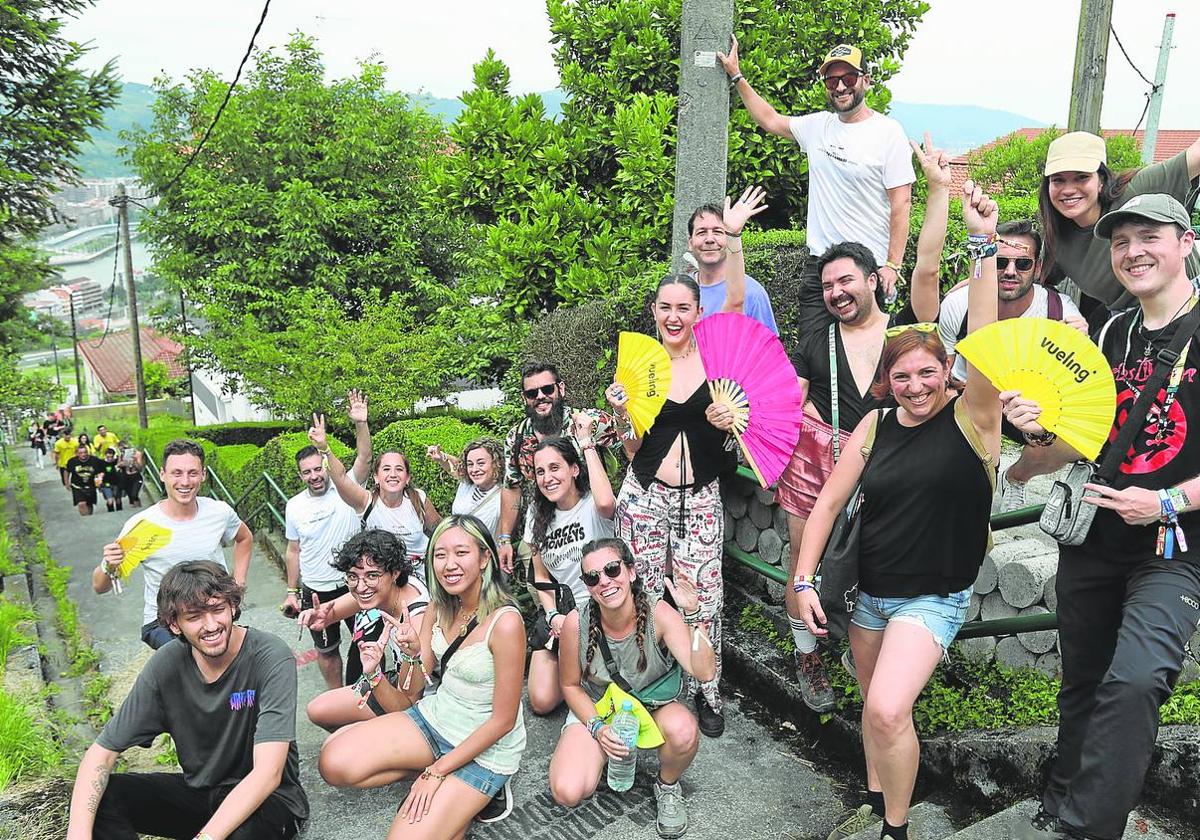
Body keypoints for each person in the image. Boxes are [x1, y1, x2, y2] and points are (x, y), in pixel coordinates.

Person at [794, 181, 1001, 840]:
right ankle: (876, 793)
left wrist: (984, 248)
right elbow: (828, 501)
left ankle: (896, 828)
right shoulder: (877, 425)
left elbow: (988, 339)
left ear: (949, 372)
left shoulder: (976, 420)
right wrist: (802, 579)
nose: (915, 387)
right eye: (901, 377)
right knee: (871, 705)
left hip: (932, 596)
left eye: (926, 374)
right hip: (868, 591)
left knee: (886, 708)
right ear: (889, 381)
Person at [1005, 194, 1200, 840]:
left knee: (1136, 679)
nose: (1133, 251)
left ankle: (1089, 827)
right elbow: (1085, 439)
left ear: (1186, 243)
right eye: (1120, 242)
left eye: (1150, 237)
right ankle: (1063, 799)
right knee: (1082, 680)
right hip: (1093, 535)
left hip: (1173, 545)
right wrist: (1035, 434)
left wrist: (1168, 501)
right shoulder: (1112, 332)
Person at [777, 135, 948, 715]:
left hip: (887, 467)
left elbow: (927, 264)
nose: (836, 293)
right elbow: (790, 400)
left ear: (874, 279)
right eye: (826, 286)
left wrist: (938, 190)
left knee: (871, 567)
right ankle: (808, 654)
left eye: (846, 281)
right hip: (816, 468)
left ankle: (868, 651)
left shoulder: (906, 333)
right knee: (804, 559)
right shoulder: (813, 339)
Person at [65, 561, 308, 840]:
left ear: (232, 606)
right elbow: (100, 753)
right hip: (201, 795)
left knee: (241, 835)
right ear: (174, 624)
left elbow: (269, 772)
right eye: (194, 617)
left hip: (269, 802)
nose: (211, 625)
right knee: (99, 799)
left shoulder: (270, 656)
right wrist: (78, 835)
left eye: (218, 609)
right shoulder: (166, 666)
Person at [604, 268, 746, 738]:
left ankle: (708, 690)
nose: (673, 316)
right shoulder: (640, 368)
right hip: (645, 494)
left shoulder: (716, 363)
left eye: (683, 307)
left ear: (698, 312)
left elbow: (738, 444)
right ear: (654, 313)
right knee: (641, 592)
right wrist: (623, 415)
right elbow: (630, 449)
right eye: (665, 307)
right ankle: (646, 684)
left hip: (701, 493)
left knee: (703, 594)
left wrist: (728, 426)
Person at [317, 515, 526, 835]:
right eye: (440, 555)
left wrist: (435, 773)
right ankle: (452, 807)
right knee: (332, 760)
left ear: (485, 558)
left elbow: (504, 721)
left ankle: (472, 794)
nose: (449, 564)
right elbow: (408, 697)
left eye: (461, 553)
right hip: (437, 719)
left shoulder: (506, 622)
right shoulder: (437, 607)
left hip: (486, 747)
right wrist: (400, 661)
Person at [719, 39, 916, 336]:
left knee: (867, 358)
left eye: (848, 78)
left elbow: (901, 205)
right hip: (820, 268)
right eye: (831, 80)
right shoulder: (817, 127)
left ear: (866, 80)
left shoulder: (889, 133)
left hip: (867, 269)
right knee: (811, 357)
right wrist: (737, 76)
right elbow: (770, 119)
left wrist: (892, 266)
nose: (839, 87)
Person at [550, 539, 716, 839]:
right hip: (601, 706)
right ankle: (601, 754)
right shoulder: (578, 622)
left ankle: (667, 786)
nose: (605, 581)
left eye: (612, 570)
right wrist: (599, 728)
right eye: (593, 577)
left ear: (631, 572)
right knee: (567, 790)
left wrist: (694, 616)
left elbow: (704, 671)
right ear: (587, 586)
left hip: (651, 704)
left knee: (684, 729)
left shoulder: (659, 613)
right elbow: (570, 685)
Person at [938, 219, 1087, 511]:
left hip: (1030, 406)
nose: (1009, 271)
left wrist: (1080, 344)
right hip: (968, 396)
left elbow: (1074, 385)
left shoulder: (1058, 310)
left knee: (1075, 440)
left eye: (1022, 264)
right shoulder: (958, 305)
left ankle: (1017, 477)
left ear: (1038, 268)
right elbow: (942, 373)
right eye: (1000, 261)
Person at [95, 439, 253, 649]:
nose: (185, 482)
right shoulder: (141, 525)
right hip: (164, 622)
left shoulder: (219, 512)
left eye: (192, 473)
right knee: (192, 666)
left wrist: (238, 584)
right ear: (162, 474)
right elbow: (100, 586)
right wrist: (108, 564)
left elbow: (244, 538)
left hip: (213, 611)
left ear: (203, 474)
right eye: (176, 473)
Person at [1038, 130, 1200, 320]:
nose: (1069, 189)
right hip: (1131, 329)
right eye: (1058, 180)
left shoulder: (1138, 190)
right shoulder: (1055, 239)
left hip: (1189, 308)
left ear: (1101, 181)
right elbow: (1031, 285)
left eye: (1082, 177)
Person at [281, 392, 375, 690]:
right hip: (316, 591)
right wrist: (292, 591)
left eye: (318, 468)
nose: (314, 476)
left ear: (325, 465)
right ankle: (337, 701)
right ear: (300, 476)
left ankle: (365, 695)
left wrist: (361, 423)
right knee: (326, 650)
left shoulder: (346, 488)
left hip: (353, 586)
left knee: (366, 644)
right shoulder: (294, 506)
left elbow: (365, 457)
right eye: (306, 472)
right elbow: (293, 550)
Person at [496, 361, 623, 574]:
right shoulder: (516, 438)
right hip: (544, 532)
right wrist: (505, 538)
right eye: (531, 393)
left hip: (593, 524)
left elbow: (630, 442)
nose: (540, 397)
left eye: (547, 389)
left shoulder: (587, 422)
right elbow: (511, 487)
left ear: (560, 389)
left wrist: (621, 409)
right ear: (524, 398)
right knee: (543, 590)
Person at [524, 425, 617, 715]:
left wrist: (587, 443)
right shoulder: (536, 514)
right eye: (540, 471)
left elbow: (607, 502)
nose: (547, 478)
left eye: (555, 468)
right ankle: (579, 671)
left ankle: (587, 671)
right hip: (561, 613)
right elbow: (541, 575)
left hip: (603, 609)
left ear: (575, 469)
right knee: (540, 700)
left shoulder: (592, 504)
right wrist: (552, 615)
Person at [302, 528, 430, 730]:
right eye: (353, 576)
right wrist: (325, 616)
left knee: (341, 741)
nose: (361, 587)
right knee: (318, 709)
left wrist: (373, 675)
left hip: (421, 701)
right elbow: (349, 603)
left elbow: (407, 702)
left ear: (394, 573)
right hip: (397, 681)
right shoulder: (398, 587)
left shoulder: (417, 618)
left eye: (372, 575)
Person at [318, 413, 442, 572]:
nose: (393, 474)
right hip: (383, 581)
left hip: (421, 578)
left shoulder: (419, 499)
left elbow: (441, 531)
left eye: (399, 469)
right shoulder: (366, 502)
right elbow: (341, 478)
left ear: (407, 478)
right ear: (376, 477)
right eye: (386, 469)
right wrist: (325, 449)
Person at [686, 187, 775, 333]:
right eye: (702, 232)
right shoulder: (680, 291)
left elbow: (768, 349)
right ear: (690, 242)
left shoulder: (753, 293)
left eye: (718, 232)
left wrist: (734, 233)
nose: (709, 239)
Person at [427, 437, 504, 538]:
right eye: (470, 464)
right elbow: (453, 468)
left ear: (496, 463)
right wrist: (442, 457)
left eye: (481, 463)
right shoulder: (466, 484)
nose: (474, 469)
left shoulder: (505, 496)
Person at [65, 443, 101, 517]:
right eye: (81, 453)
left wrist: (100, 481)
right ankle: (86, 520)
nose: (83, 454)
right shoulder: (72, 461)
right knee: (81, 504)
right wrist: (66, 483)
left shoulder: (94, 460)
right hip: (77, 486)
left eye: (85, 452)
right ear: (77, 454)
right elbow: (66, 471)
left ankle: (89, 518)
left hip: (90, 485)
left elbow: (101, 471)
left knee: (89, 504)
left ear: (87, 452)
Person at [118, 440, 144, 507]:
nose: (123, 451)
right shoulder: (121, 455)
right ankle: (135, 509)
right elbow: (118, 465)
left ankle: (138, 508)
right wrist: (123, 463)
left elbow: (140, 468)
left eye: (124, 449)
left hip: (136, 476)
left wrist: (134, 461)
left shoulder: (137, 454)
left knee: (134, 495)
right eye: (121, 450)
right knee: (131, 497)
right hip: (126, 477)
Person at [98, 447, 124, 512]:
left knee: (118, 500)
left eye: (111, 457)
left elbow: (122, 463)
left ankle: (120, 512)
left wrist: (118, 462)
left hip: (116, 483)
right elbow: (100, 473)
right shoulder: (101, 463)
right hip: (106, 484)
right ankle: (111, 512)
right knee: (110, 501)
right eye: (108, 457)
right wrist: (99, 482)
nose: (109, 459)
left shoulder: (116, 462)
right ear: (105, 456)